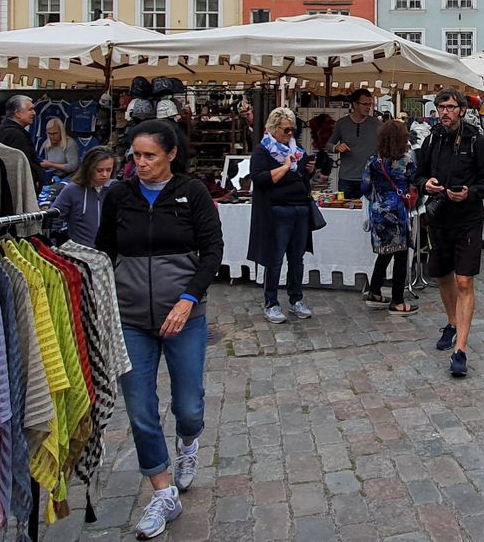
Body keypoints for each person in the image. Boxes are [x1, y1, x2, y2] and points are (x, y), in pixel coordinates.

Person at [95, 120, 223, 539]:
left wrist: (188, 299)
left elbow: (213, 251)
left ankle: (189, 443)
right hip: (131, 318)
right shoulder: (120, 195)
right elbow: (104, 249)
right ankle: (162, 492)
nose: (141, 163)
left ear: (170, 154)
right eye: (136, 155)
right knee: (140, 409)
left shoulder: (193, 193)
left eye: (150, 155)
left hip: (184, 315)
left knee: (188, 404)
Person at [416, 90, 484, 378]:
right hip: (439, 219)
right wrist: (426, 183)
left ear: (462, 110)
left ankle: (460, 350)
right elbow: (418, 173)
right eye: (441, 107)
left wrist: (470, 193)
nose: (444, 112)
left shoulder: (475, 140)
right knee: (442, 275)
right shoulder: (432, 138)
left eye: (450, 107)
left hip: (468, 219)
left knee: (464, 281)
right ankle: (452, 323)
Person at [251, 106, 317, 324]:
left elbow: (302, 177)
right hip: (277, 210)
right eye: (286, 130)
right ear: (274, 128)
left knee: (297, 259)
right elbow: (260, 178)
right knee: (275, 259)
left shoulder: (295, 149)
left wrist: (308, 170)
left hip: (299, 208)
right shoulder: (263, 151)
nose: (290, 135)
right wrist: (285, 167)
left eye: (293, 131)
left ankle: (296, 299)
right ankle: (271, 302)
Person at [361, 119, 416, 313]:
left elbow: (365, 187)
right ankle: (398, 301)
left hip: (377, 210)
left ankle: (375, 291)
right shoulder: (406, 160)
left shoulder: (373, 160)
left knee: (384, 252)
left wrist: (378, 199)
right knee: (400, 254)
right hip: (398, 211)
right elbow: (414, 182)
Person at [52, 145, 117, 246]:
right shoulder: (71, 190)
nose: (105, 174)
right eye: (99, 170)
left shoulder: (116, 189)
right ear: (88, 169)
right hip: (79, 253)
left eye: (109, 170)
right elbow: (54, 219)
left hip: (109, 253)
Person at [332, 88, 382, 201]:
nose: (368, 107)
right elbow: (329, 144)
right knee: (344, 214)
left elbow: (386, 145)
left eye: (370, 104)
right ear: (355, 104)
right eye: (365, 104)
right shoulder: (342, 123)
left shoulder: (377, 124)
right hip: (346, 178)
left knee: (368, 214)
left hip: (369, 177)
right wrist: (336, 147)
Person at [0, 94, 42, 183]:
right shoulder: (14, 134)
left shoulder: (4, 129)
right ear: (17, 113)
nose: (34, 113)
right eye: (30, 109)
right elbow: (21, 167)